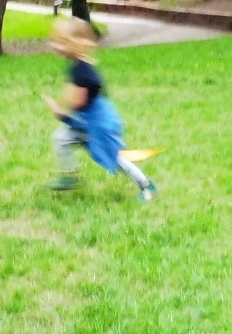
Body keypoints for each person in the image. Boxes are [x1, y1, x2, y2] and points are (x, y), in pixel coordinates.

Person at [42, 17, 157, 202]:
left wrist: (61, 113)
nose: (55, 46)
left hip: (99, 125)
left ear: (74, 44)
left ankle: (146, 185)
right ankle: (69, 176)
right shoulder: (79, 66)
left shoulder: (81, 71)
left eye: (60, 43)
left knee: (115, 158)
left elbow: (78, 103)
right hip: (91, 121)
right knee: (61, 138)